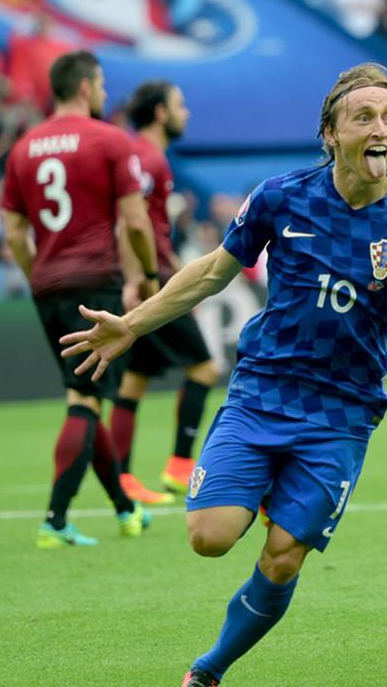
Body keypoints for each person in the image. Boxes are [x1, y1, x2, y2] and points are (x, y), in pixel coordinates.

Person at [60, 63, 387, 686]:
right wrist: (133, 324)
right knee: (208, 537)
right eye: (364, 118)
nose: (380, 129)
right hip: (261, 393)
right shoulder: (281, 196)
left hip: (341, 416)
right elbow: (215, 269)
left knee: (281, 558)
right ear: (331, 134)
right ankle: (272, 494)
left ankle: (208, 671)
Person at [0, 49, 156, 548]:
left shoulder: (23, 147)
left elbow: (15, 234)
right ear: (86, 87)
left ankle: (125, 509)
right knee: (85, 398)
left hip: (48, 285)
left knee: (85, 393)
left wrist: (36, 275)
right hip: (95, 283)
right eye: (103, 84)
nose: (106, 93)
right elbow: (135, 221)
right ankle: (55, 518)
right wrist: (149, 275)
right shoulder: (110, 140)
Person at [109, 80, 218, 506]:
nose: (185, 112)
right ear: (160, 113)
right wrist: (141, 281)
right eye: (179, 104)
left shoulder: (143, 155)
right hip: (152, 283)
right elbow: (129, 222)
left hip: (145, 278)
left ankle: (122, 478)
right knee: (204, 369)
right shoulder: (147, 157)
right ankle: (179, 465)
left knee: (134, 381)